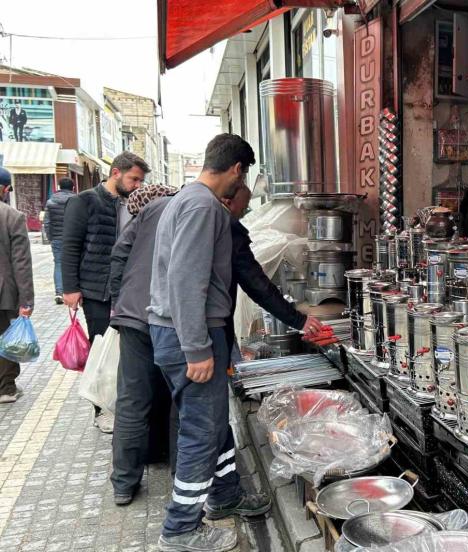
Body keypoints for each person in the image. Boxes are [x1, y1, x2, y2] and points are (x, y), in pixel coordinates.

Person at [148, 134, 283, 551]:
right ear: (237, 170)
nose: (241, 185)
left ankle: (225, 495)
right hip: (189, 337)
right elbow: (185, 280)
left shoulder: (189, 201)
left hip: (184, 333)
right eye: (244, 176)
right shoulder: (202, 206)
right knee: (201, 433)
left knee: (212, 422)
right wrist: (197, 349)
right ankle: (180, 529)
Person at [62, 151, 148, 433]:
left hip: (127, 290)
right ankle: (101, 410)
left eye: (141, 181)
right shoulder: (84, 201)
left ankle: (123, 405)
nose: (137, 185)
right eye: (134, 179)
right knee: (100, 350)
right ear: (116, 173)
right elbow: (70, 246)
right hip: (96, 290)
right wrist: (70, 288)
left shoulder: (133, 204)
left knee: (125, 352)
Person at [109, 184, 178, 506]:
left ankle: (124, 483)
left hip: (134, 316)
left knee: (132, 399)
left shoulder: (147, 212)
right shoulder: (194, 209)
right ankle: (183, 477)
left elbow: (119, 254)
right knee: (181, 398)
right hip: (173, 318)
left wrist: (119, 301)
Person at [220, 185, 323, 353]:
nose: (243, 213)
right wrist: (298, 320)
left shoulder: (212, 220)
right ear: (228, 202)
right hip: (210, 329)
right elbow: (255, 283)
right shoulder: (228, 228)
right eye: (243, 208)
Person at [0, 172, 33, 403]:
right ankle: (6, 388)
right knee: (6, 338)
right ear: (4, 189)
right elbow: (21, 263)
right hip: (4, 293)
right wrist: (26, 301)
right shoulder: (12, 216)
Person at [43, 177, 76, 304]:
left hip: (57, 238)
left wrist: (50, 237)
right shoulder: (77, 200)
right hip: (74, 238)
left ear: (59, 187)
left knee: (58, 263)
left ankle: (59, 292)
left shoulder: (51, 201)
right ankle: (73, 290)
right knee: (74, 263)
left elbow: (47, 222)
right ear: (73, 187)